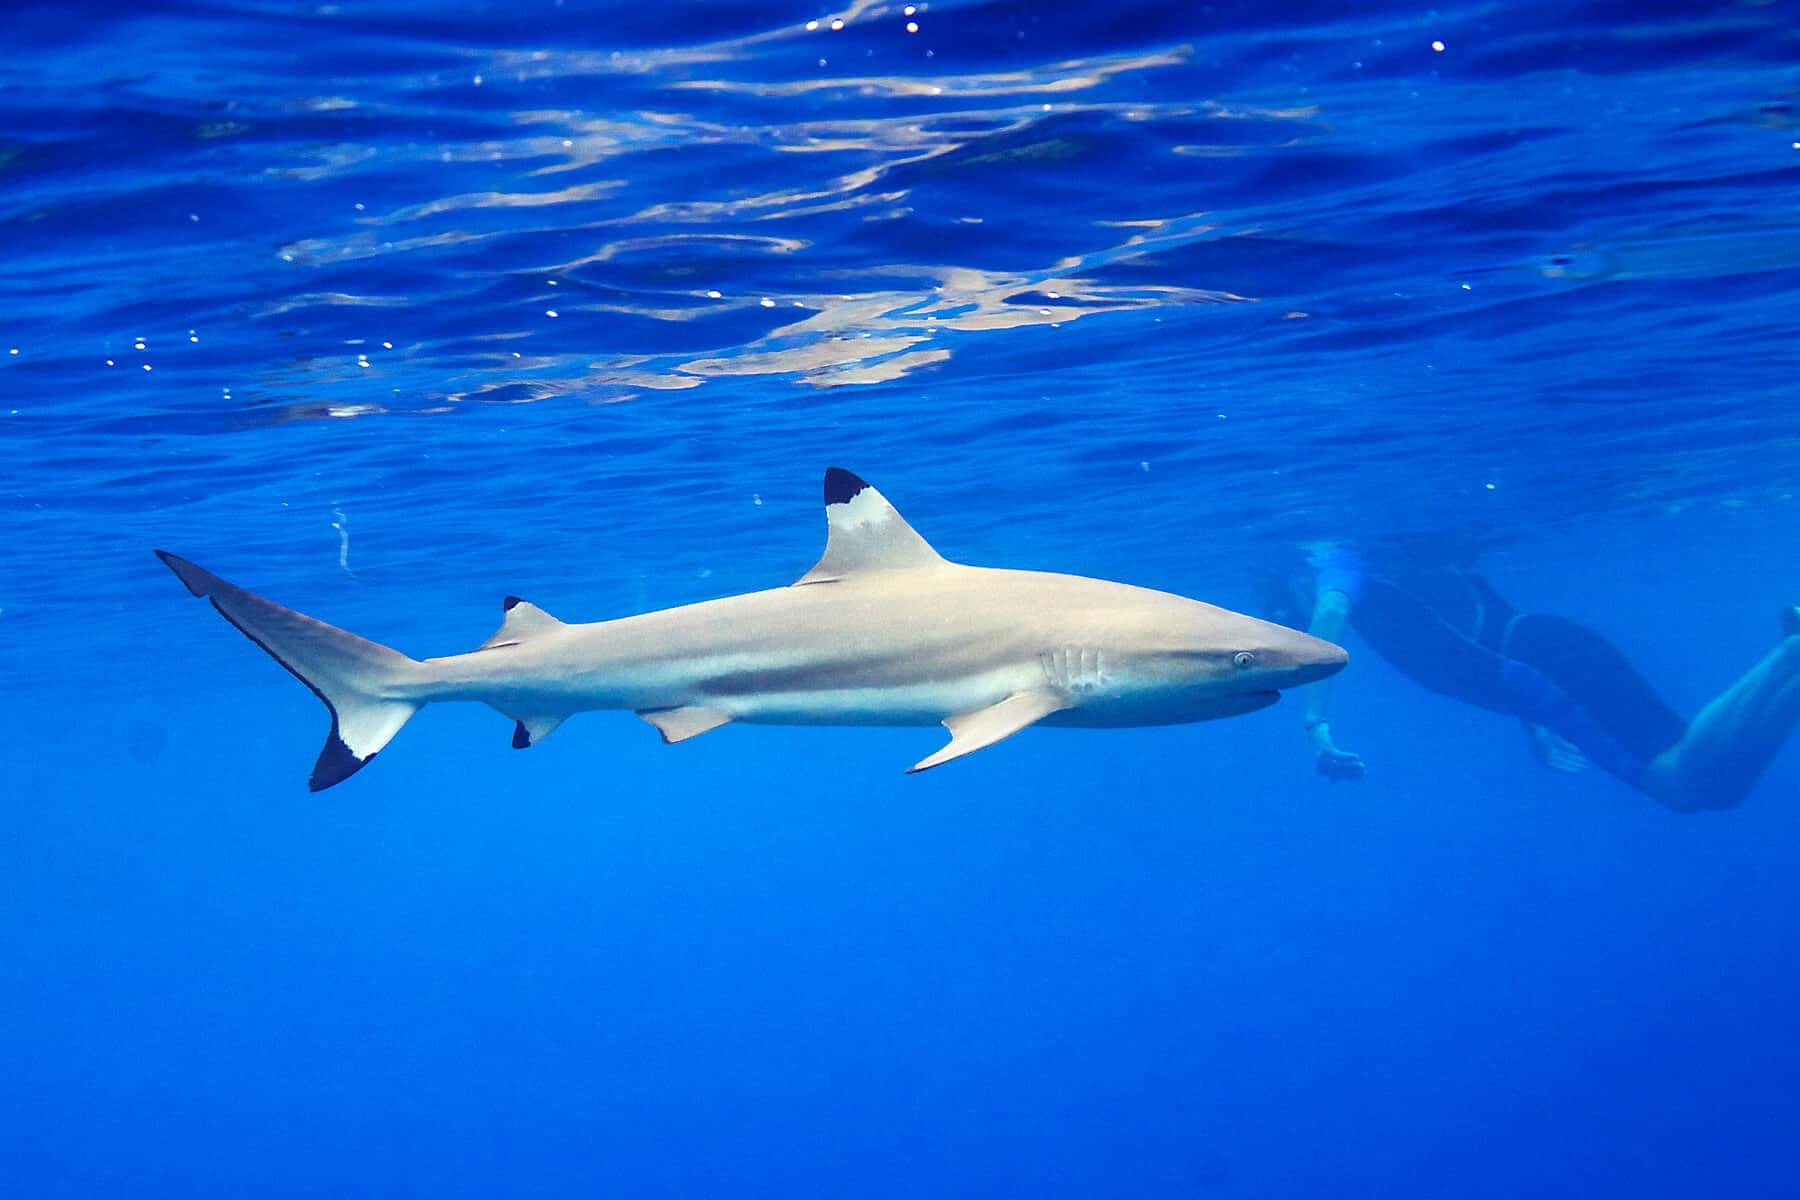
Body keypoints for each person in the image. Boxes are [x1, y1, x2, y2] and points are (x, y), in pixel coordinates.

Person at [1296, 542, 1800, 812]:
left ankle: (1789, 651)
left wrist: (1315, 720)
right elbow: (1470, 632)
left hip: (1542, 661)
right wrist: (1534, 720)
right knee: (1714, 791)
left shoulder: (1340, 561)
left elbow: (1329, 618)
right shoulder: (1392, 558)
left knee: (1678, 780)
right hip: (1542, 658)